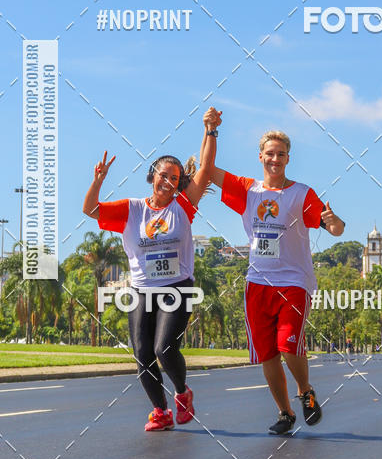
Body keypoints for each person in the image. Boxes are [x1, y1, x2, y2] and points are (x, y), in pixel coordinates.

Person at [82, 107, 222, 432]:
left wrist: (210, 129)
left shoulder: (184, 205)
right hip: (142, 290)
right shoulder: (132, 210)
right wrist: (98, 180)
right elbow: (90, 209)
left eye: (175, 177)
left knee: (164, 348)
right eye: (164, 175)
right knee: (143, 354)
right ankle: (161, 411)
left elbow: (205, 168)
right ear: (152, 175)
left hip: (177, 287)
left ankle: (182, 393)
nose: (169, 181)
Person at [208, 129, 345, 435]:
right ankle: (285, 413)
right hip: (257, 281)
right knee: (268, 353)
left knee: (288, 344)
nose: (274, 159)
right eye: (269, 153)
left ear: (287, 158)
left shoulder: (301, 194)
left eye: (280, 154)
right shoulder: (248, 190)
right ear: (261, 157)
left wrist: (335, 223)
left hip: (294, 281)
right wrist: (212, 131)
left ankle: (305, 391)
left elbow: (332, 224)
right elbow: (207, 170)